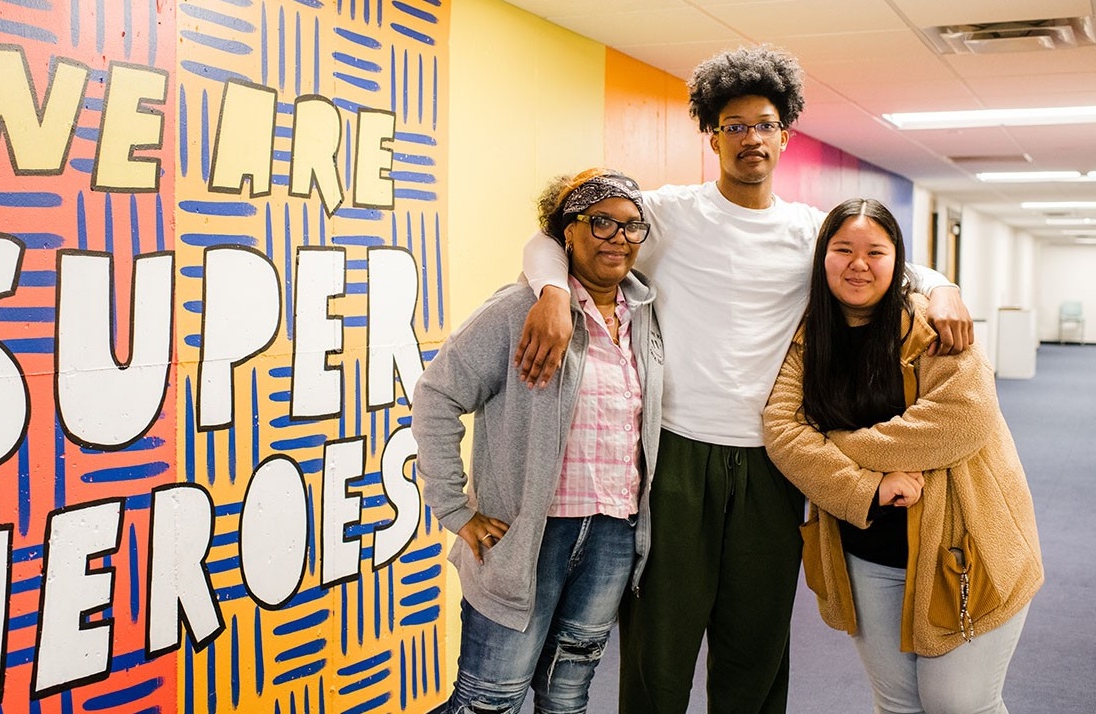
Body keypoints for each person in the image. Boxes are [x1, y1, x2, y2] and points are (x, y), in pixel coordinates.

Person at [515, 46, 973, 714]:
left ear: (785, 134)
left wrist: (946, 290)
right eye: (734, 125)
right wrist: (553, 292)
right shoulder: (666, 213)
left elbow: (889, 268)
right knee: (657, 649)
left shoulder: (811, 233)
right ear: (712, 134)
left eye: (763, 124)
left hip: (772, 463)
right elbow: (553, 234)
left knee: (754, 648)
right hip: (675, 455)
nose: (750, 137)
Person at [762, 198, 1043, 713]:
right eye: (843, 249)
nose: (859, 264)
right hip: (865, 553)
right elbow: (782, 430)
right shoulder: (808, 339)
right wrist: (869, 485)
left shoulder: (936, 326)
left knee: (960, 705)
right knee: (897, 705)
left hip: (963, 543)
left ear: (900, 261)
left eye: (876, 251)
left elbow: (963, 417)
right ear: (823, 256)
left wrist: (840, 447)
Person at [412, 169, 664, 713]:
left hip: (611, 539)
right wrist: (455, 509)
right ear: (566, 233)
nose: (619, 238)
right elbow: (436, 396)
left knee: (567, 695)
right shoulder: (517, 310)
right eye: (601, 223)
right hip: (527, 538)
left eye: (630, 227)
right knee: (490, 700)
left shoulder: (646, 318)